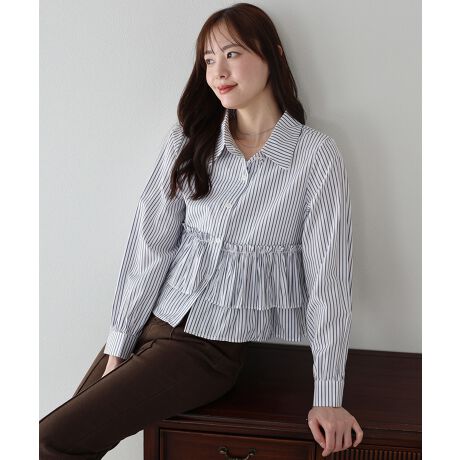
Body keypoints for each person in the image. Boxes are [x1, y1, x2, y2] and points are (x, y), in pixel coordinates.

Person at [40, 2, 364, 458]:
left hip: (207, 350)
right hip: (153, 324)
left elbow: (329, 282)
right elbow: (150, 248)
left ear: (273, 54)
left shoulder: (315, 158)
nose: (218, 72)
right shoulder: (189, 140)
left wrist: (328, 396)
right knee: (55, 441)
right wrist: (119, 345)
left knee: (49, 440)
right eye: (209, 60)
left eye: (232, 54)